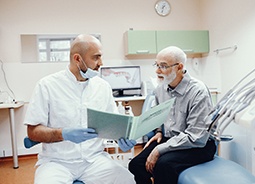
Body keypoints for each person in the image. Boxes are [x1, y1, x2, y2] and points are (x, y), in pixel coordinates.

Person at [23, 34, 136, 184]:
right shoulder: (47, 86)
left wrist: (121, 138)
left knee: (127, 179)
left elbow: (113, 124)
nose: (101, 63)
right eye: (96, 58)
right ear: (77, 59)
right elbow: (32, 132)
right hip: (56, 162)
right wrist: (62, 134)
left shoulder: (103, 87)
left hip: (94, 160)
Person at [128, 46, 217, 184]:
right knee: (135, 165)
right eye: (156, 65)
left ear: (179, 67)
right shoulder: (161, 89)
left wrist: (159, 149)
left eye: (163, 66)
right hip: (171, 139)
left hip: (198, 145)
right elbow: (159, 116)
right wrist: (158, 132)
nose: (157, 71)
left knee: (163, 166)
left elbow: (196, 137)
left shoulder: (198, 91)